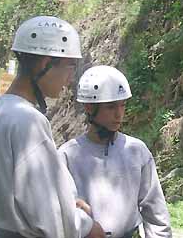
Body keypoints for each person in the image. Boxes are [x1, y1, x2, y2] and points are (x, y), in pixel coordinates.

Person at [0, 16, 105, 238]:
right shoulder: (28, 121)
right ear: (45, 64)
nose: (70, 79)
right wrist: (88, 226)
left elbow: (19, 191)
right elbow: (50, 218)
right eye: (70, 67)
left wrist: (68, 203)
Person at [58, 65, 172, 238]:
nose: (119, 114)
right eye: (111, 107)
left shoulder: (137, 151)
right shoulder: (67, 156)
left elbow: (155, 212)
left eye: (123, 105)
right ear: (89, 108)